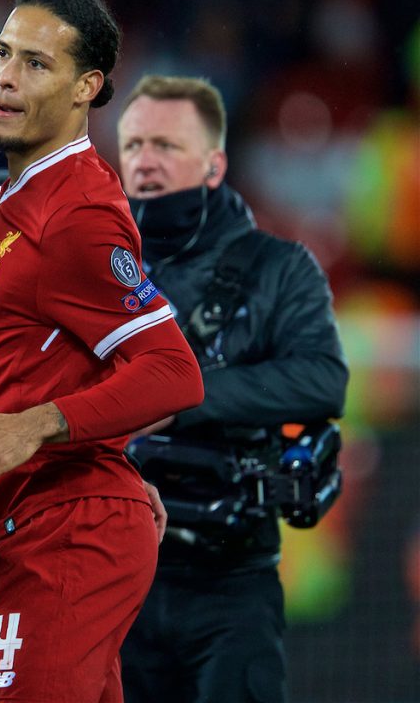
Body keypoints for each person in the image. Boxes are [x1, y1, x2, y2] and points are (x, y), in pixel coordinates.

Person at [0, 0, 204, 703]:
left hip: (70, 534)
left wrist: (35, 428)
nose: (8, 77)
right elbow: (33, 360)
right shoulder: (23, 199)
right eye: (5, 55)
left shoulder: (77, 214)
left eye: (38, 64)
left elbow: (173, 374)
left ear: (87, 87)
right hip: (37, 526)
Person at [115, 74, 349, 703]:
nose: (144, 162)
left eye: (165, 145)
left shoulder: (280, 268)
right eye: (133, 145)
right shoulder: (96, 267)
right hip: (113, 570)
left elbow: (323, 380)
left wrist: (180, 396)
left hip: (231, 579)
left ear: (214, 164)